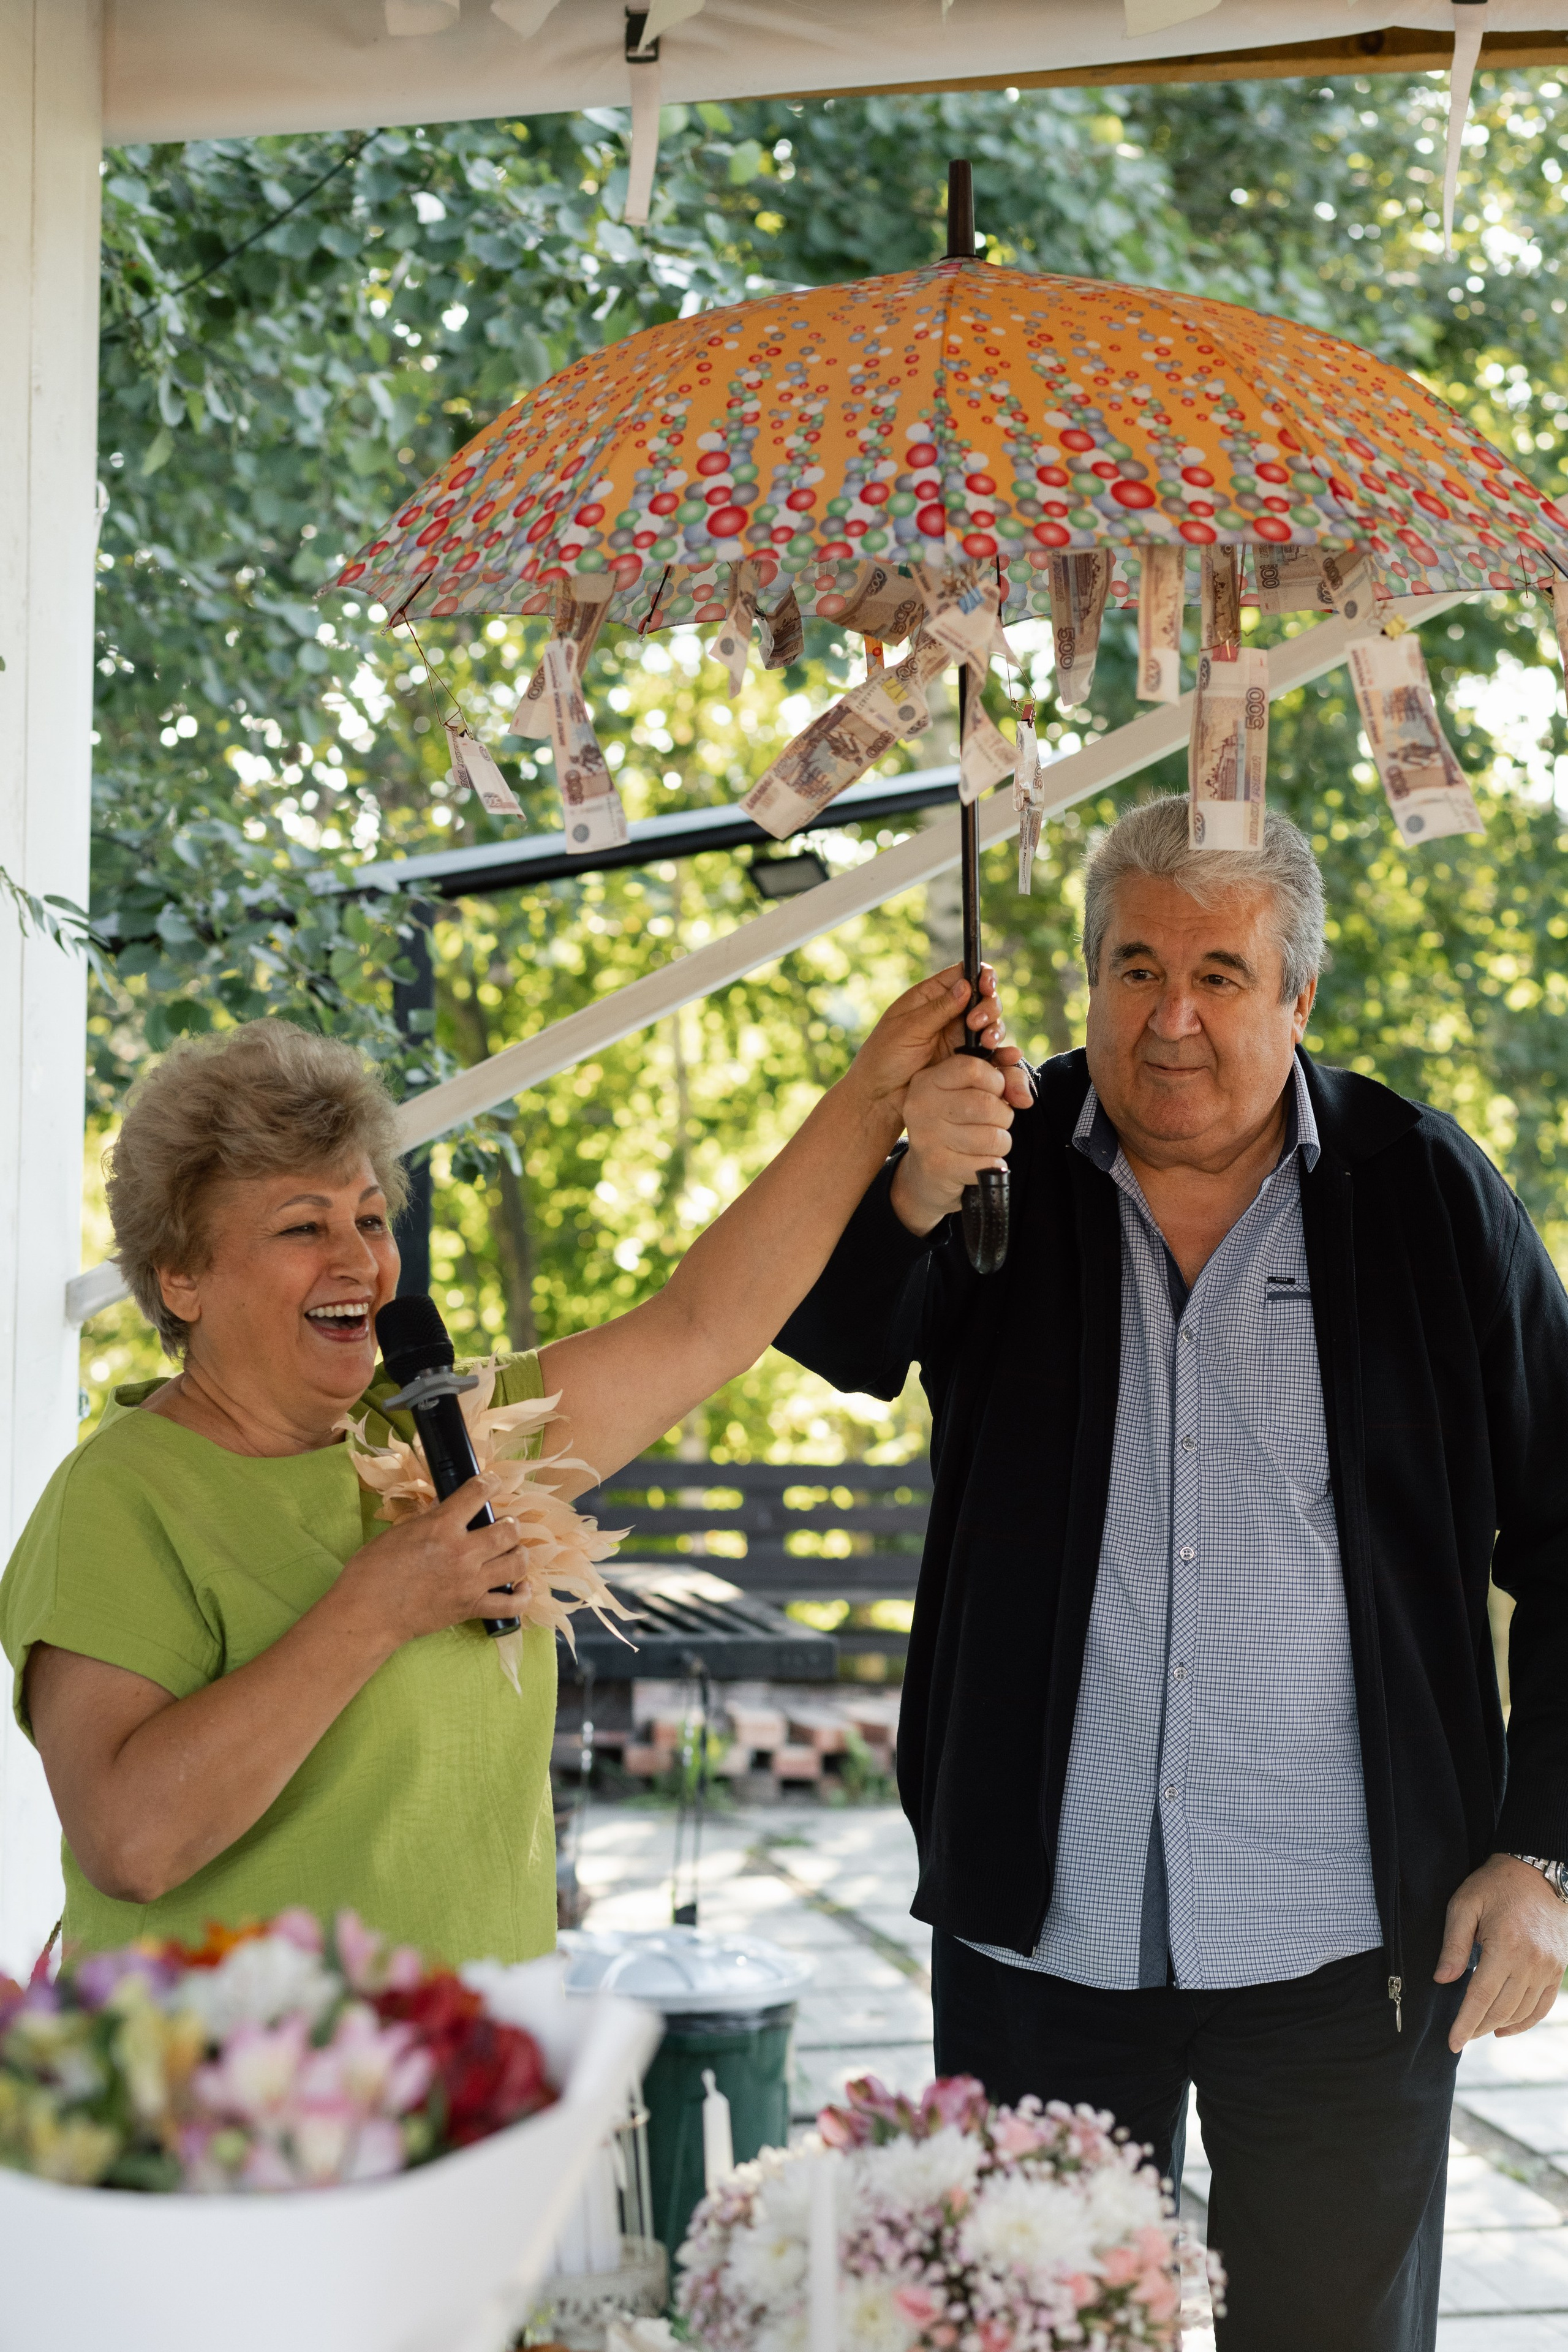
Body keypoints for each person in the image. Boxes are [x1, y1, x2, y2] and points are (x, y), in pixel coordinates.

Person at [775, 795, 1568, 2352]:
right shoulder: (993, 1160)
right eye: (1133, 968)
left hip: (1353, 1952)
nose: (1170, 1017)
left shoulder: (1421, 1190)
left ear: (1297, 996)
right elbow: (835, 1338)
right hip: (1037, 1936)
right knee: (1034, 2334)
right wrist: (912, 1183)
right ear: (1085, 980)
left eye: (1218, 974)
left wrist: (1541, 1853)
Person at [0, 965, 1004, 1967]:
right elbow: (131, 1843)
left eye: (369, 1218)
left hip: (478, 2051)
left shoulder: (442, 1429)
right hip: (242, 2066)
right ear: (181, 1277)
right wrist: (376, 1608)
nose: (359, 1262)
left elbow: (704, 1325)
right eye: (303, 1226)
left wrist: (874, 1095)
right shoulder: (120, 1496)